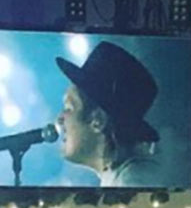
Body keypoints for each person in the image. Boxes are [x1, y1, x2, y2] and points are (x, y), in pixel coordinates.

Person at [55, 40, 166, 188]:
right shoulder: (123, 177)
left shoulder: (132, 181)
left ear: (98, 120)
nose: (59, 119)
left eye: (69, 108)